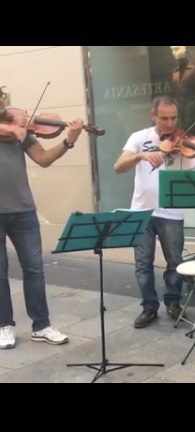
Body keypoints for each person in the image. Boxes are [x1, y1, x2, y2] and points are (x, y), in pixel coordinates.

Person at [114, 94, 195, 329]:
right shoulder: (139, 138)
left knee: (175, 262)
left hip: (171, 213)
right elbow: (118, 167)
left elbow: (193, 175)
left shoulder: (184, 143)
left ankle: (173, 302)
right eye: (164, 118)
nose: (170, 124)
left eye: (173, 118)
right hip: (142, 211)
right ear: (153, 116)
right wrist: (140, 155)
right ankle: (149, 307)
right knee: (143, 263)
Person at [0, 96, 84, 349]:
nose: (4, 111)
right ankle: (4, 326)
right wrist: (11, 128)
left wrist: (69, 140)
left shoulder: (20, 131)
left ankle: (42, 325)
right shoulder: (13, 129)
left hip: (23, 210)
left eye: (3, 107)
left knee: (35, 269)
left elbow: (44, 159)